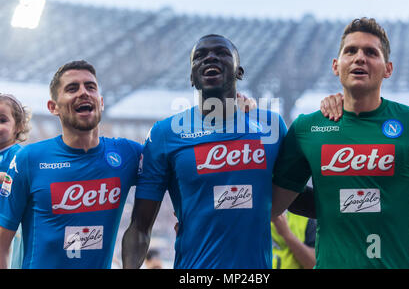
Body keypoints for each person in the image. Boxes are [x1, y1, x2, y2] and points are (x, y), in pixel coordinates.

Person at [272, 18, 409, 269]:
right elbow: (274, 203)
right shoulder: (307, 128)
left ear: (388, 69)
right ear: (336, 65)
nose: (359, 58)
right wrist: (242, 113)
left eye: (371, 52)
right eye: (351, 51)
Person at [122, 34, 287, 269]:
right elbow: (139, 226)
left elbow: (297, 193)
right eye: (199, 56)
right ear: (191, 76)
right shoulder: (165, 133)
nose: (210, 57)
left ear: (239, 71)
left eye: (221, 52)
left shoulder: (271, 128)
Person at [0, 60, 142, 268]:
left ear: (100, 102)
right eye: (72, 88)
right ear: (53, 107)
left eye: (90, 87)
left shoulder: (128, 154)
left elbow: (176, 171)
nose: (83, 93)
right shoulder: (28, 159)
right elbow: (2, 244)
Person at [0, 94, 31, 269]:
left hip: (11, 227)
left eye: (2, 120)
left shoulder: (19, 155)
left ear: (18, 126)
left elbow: (16, 180)